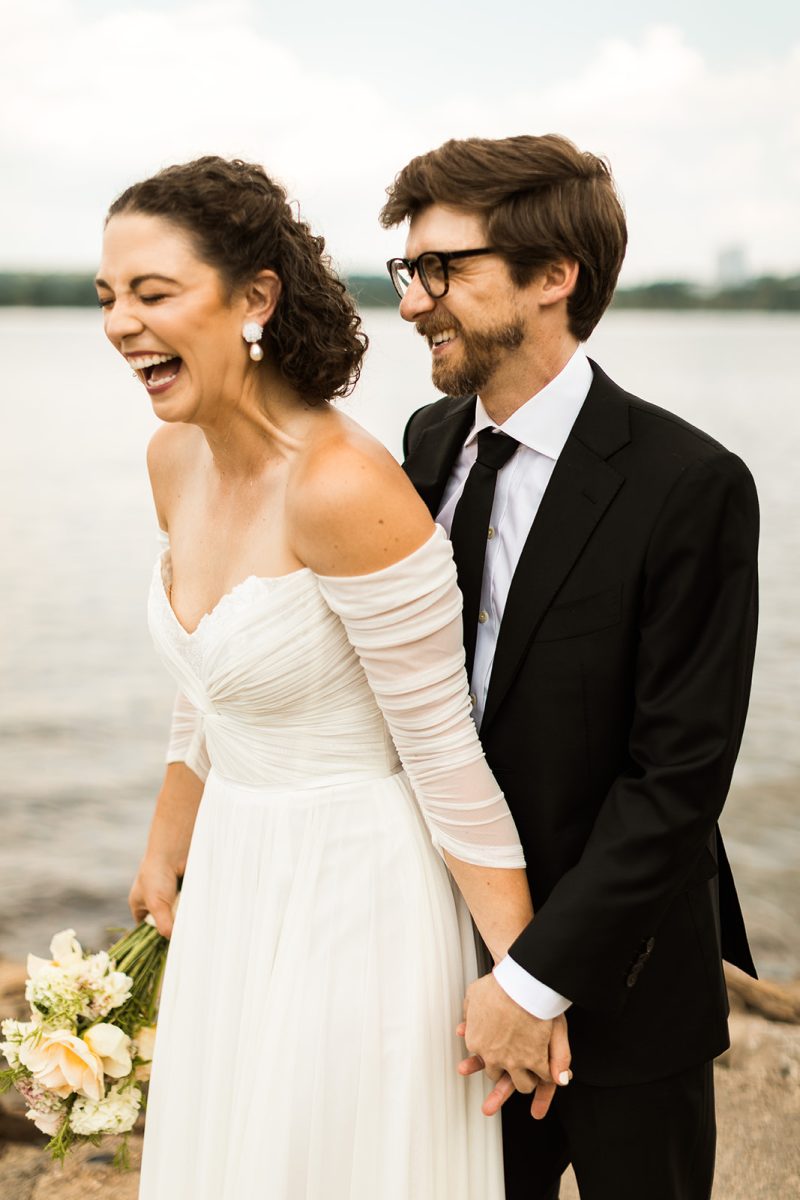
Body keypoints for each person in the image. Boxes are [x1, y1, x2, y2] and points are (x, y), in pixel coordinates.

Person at [96, 156, 566, 1200]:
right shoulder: (168, 461)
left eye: (153, 293)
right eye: (107, 297)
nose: (121, 322)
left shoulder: (346, 485)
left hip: (355, 890)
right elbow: (210, 680)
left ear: (253, 297)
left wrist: (524, 981)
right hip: (234, 874)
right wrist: (165, 846)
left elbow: (441, 749)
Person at [382, 133, 759, 1200]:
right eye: (409, 272)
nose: (413, 302)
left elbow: (676, 778)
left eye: (443, 269)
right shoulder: (421, 442)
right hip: (442, 964)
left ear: (554, 279)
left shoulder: (689, 482)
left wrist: (536, 981)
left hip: (626, 982)